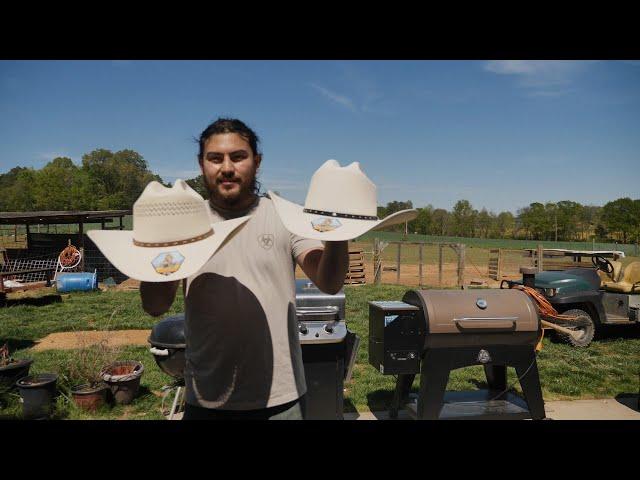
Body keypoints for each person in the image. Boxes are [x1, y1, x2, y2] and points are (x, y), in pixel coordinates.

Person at [140, 118, 349, 420]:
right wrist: (157, 245)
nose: (227, 167)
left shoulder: (284, 216)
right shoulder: (185, 224)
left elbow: (329, 281)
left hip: (282, 399)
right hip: (207, 398)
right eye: (215, 158)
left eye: (238, 157)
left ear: (257, 162)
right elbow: (155, 305)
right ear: (202, 164)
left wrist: (340, 232)